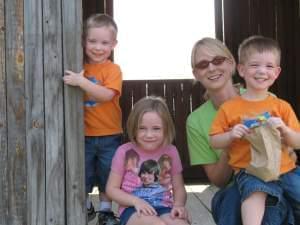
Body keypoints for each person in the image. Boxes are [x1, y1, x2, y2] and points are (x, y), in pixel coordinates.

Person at [186, 37, 295, 225]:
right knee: (234, 202)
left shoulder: (267, 98)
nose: (211, 68)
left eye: (218, 61)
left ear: (232, 64)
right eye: (203, 65)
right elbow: (219, 180)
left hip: (274, 175)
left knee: (273, 199)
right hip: (236, 182)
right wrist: (231, 141)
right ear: (196, 73)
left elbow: (290, 154)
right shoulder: (195, 121)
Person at [63, 13, 122, 225]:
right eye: (92, 41)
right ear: (83, 41)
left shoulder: (113, 70)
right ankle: (85, 206)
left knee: (107, 173)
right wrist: (80, 78)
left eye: (104, 42)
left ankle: (105, 211)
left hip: (109, 134)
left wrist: (81, 82)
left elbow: (106, 95)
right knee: (83, 172)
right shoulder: (77, 65)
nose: (98, 47)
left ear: (113, 44)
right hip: (83, 135)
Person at [106, 96, 190, 225]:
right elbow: (111, 189)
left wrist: (179, 205)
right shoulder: (124, 151)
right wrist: (135, 201)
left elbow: (179, 188)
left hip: (164, 207)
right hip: (132, 209)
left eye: (156, 128)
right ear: (133, 128)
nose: (149, 134)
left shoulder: (171, 151)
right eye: (142, 128)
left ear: (166, 129)